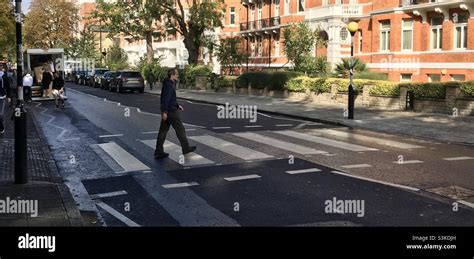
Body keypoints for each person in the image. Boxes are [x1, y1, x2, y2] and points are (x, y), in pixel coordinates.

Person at [154, 68, 196, 159]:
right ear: (172, 75)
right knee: (180, 130)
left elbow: (171, 98)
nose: (178, 76)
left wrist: (177, 106)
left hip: (169, 110)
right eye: (176, 74)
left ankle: (158, 151)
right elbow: (166, 99)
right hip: (171, 112)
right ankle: (186, 148)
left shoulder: (168, 83)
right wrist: (164, 111)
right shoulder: (169, 85)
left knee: (163, 132)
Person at [0, 69, 12, 135]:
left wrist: (9, 96)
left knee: (0, 115)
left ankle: (2, 128)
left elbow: (7, 86)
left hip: (2, 96)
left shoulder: (4, 76)